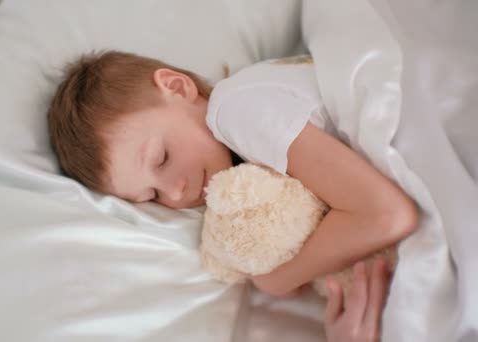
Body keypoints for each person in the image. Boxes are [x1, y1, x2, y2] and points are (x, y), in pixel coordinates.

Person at [47, 50, 418, 341]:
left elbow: (387, 215)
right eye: (151, 196)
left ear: (177, 87)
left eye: (162, 158)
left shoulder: (235, 109)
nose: (175, 191)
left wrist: (276, 280)